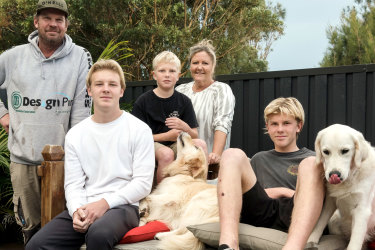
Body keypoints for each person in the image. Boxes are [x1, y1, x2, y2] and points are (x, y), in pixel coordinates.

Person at [26, 59, 155, 250]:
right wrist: (77, 211)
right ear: (89, 90)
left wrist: (104, 204)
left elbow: (142, 184)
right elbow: (73, 184)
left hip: (123, 206)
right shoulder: (76, 134)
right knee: (36, 245)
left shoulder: (139, 130)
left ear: (121, 90)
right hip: (85, 206)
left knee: (99, 234)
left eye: (112, 84)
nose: (105, 89)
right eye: (99, 84)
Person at [0, 0, 92, 243]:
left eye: (59, 20)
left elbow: (83, 109)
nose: (53, 24)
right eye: (47, 18)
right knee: (29, 226)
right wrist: (3, 114)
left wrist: (77, 156)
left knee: (61, 226)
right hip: (23, 158)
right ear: (36, 22)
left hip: (63, 162)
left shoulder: (81, 57)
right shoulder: (11, 57)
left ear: (66, 24)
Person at [217, 97, 325, 250]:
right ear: (267, 126)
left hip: (294, 213)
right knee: (231, 154)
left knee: (310, 163)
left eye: (286, 123)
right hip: (261, 211)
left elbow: (318, 198)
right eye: (274, 124)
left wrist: (290, 195)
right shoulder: (259, 159)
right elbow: (245, 194)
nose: (280, 129)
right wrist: (284, 191)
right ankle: (228, 244)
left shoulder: (312, 159)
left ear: (298, 126)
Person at [132, 51, 200, 183]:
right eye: (162, 70)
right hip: (151, 145)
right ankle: (160, 196)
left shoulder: (184, 101)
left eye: (172, 71)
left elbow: (195, 135)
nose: (167, 75)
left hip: (176, 144)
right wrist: (166, 137)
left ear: (178, 76)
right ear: (154, 75)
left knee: (200, 145)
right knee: (166, 154)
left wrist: (185, 127)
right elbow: (135, 139)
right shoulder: (143, 101)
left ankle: (196, 190)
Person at [176, 40, 235, 165]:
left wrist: (215, 156)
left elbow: (222, 124)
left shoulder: (221, 90)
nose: (199, 67)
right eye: (195, 62)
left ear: (213, 66)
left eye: (205, 63)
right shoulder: (180, 90)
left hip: (209, 161)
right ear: (190, 66)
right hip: (182, 161)